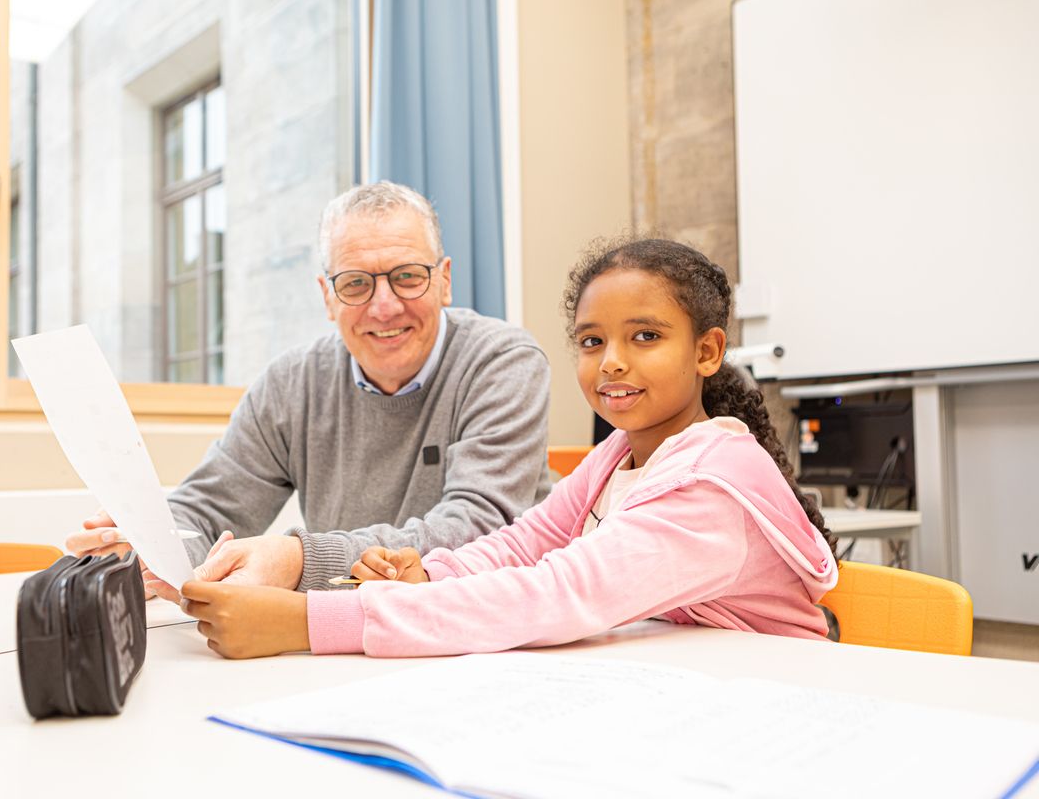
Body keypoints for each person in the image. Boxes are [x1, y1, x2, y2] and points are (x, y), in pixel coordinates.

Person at [174, 236, 840, 658]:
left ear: (707, 351)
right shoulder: (620, 456)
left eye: (645, 336)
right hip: (691, 686)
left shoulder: (707, 486)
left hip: (781, 707)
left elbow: (553, 593)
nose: (612, 360)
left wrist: (305, 621)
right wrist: (427, 574)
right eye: (592, 341)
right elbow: (522, 545)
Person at [66, 181, 552, 593]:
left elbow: (479, 528)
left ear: (444, 281)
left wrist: (302, 560)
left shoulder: (502, 362)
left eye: (407, 277)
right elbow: (210, 509)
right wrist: (147, 545)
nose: (384, 306)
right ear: (327, 296)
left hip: (486, 626)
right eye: (356, 284)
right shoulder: (290, 385)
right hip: (340, 629)